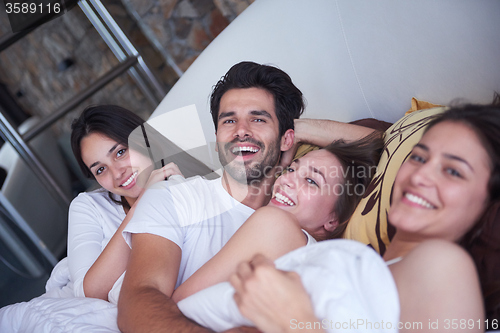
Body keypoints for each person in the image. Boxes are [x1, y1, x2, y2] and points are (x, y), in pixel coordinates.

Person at [178, 104, 499, 333]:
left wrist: (297, 323)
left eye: (453, 171)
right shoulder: (366, 262)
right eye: (417, 157)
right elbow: (384, 144)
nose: (421, 176)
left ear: (487, 200)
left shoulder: (443, 262)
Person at [117, 61, 376, 332]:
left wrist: (301, 129)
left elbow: (389, 143)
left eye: (258, 119)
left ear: (287, 140)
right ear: (217, 138)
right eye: (229, 120)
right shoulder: (173, 197)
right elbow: (140, 299)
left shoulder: (288, 220)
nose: (241, 130)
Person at [171, 133, 383, 302]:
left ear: (333, 219)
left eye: (311, 181)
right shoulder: (309, 255)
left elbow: (178, 306)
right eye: (291, 169)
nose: (286, 179)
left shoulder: (275, 224)